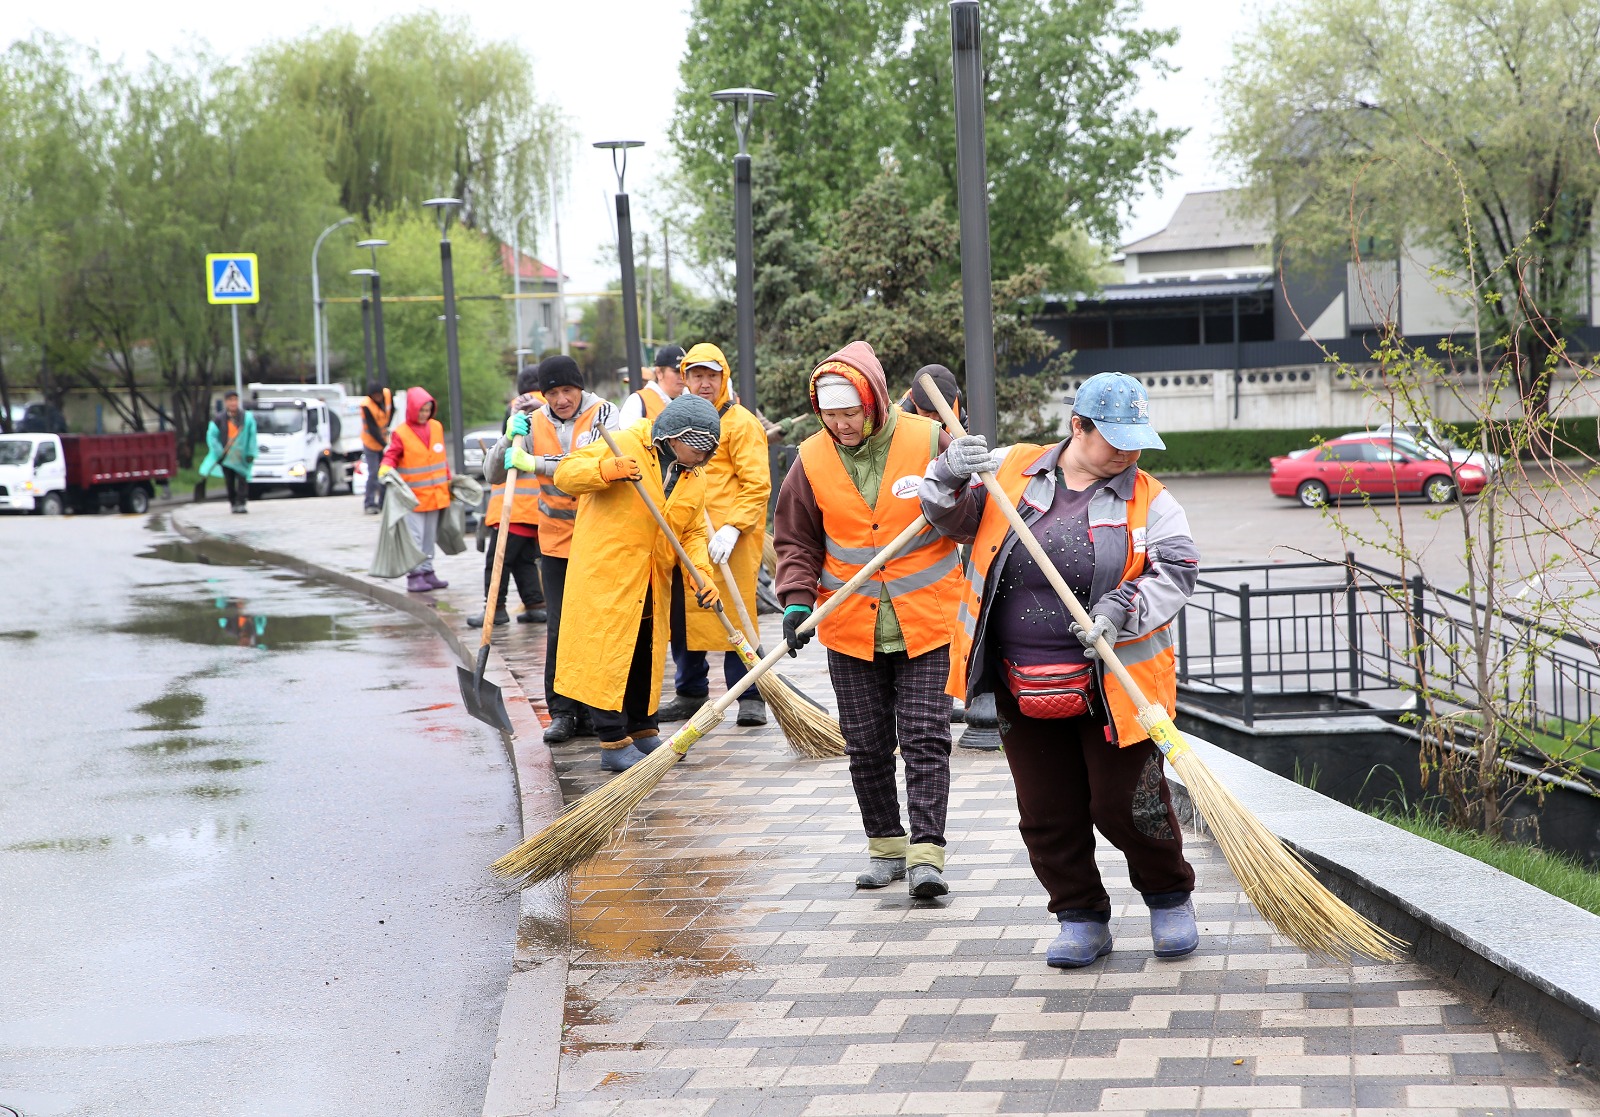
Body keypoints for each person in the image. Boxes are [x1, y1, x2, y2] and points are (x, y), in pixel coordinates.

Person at [918, 371, 1201, 968]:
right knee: (1047, 811)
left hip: (1114, 684)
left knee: (1128, 803)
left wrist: (1121, 610)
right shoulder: (1012, 471)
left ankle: (1169, 896)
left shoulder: (1151, 498)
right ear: (1078, 426)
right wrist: (946, 474)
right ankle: (1079, 915)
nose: (1128, 452)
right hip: (1022, 680)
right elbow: (949, 520)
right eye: (1115, 438)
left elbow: (1176, 572)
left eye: (1136, 439)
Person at [774, 342, 963, 899]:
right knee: (866, 742)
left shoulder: (927, 439)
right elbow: (796, 540)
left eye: (850, 413)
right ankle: (886, 847)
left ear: (875, 402)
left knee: (926, 736)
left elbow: (972, 516)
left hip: (925, 619)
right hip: (851, 624)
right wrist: (795, 600)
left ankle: (927, 856)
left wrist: (959, 477)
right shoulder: (810, 459)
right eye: (830, 415)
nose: (841, 424)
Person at [552, 393, 723, 771]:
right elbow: (565, 473)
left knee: (643, 653)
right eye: (700, 450)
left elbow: (692, 530)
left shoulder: (693, 474)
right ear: (678, 437)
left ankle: (643, 730)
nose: (704, 460)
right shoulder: (626, 443)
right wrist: (606, 470)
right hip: (608, 575)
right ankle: (612, 741)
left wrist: (703, 574)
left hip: (651, 579)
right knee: (607, 656)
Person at [486, 355, 619, 743]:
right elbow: (494, 473)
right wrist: (507, 437)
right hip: (557, 541)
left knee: (597, 626)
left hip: (599, 538)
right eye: (553, 392)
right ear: (544, 395)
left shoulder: (604, 414)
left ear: (580, 387)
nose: (561, 399)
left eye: (568, 390)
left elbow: (587, 464)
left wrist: (536, 462)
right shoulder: (534, 422)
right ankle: (561, 712)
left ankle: (597, 712)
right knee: (560, 627)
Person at [656, 343, 773, 728]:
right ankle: (690, 691)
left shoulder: (741, 423)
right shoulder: (677, 419)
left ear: (723, 378)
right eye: (696, 376)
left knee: (738, 616)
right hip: (690, 531)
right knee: (686, 613)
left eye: (711, 376)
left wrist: (733, 526)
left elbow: (756, 484)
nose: (704, 383)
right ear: (685, 378)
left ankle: (750, 695)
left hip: (731, 540)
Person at [471, 367, 554, 628]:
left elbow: (508, 448)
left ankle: (494, 609)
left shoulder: (519, 407)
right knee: (521, 559)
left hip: (514, 506)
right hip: (536, 507)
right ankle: (535, 603)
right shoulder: (549, 407)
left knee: (498, 559)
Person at [378, 386, 452, 594]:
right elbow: (391, 455)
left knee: (429, 538)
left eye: (427, 410)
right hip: (414, 498)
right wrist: (385, 468)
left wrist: (449, 480)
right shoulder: (401, 433)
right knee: (415, 539)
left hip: (436, 495)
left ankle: (428, 572)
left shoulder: (436, 427)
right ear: (411, 409)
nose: (424, 414)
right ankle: (414, 576)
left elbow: (441, 459)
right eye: (420, 410)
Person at [200, 391, 258, 514]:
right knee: (230, 481)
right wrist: (218, 451)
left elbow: (252, 436)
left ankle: (241, 502)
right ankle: (233, 502)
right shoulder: (219, 419)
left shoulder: (246, 418)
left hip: (241, 455)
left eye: (235, 400)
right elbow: (212, 436)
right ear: (226, 402)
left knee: (242, 479)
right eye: (230, 400)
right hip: (226, 456)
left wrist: (251, 453)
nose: (233, 403)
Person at [619, 344, 685, 424]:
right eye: (677, 371)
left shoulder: (691, 400)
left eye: (684, 371)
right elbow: (627, 435)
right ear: (659, 372)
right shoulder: (638, 401)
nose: (682, 376)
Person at [360, 384, 394, 514]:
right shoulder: (366, 405)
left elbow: (392, 409)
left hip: (383, 441)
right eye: (375, 396)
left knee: (384, 473)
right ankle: (369, 503)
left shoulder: (387, 394)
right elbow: (373, 429)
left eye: (379, 395)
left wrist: (388, 425)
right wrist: (385, 445)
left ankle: (383, 503)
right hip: (370, 443)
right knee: (374, 473)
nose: (378, 398)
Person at [900, 364, 968, 429]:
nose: (934, 419)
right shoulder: (899, 421)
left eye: (940, 412)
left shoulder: (952, 400)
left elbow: (965, 425)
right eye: (927, 412)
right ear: (912, 397)